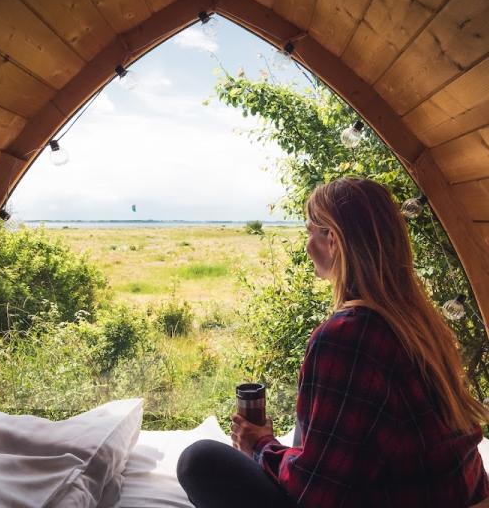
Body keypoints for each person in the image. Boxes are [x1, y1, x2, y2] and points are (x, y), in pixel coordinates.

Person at [177, 177, 489, 507]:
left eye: (310, 230)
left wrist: (260, 446)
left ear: (333, 240)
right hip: (457, 495)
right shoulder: (420, 323)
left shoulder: (349, 336)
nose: (307, 244)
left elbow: (319, 493)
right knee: (303, 428)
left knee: (199, 460)